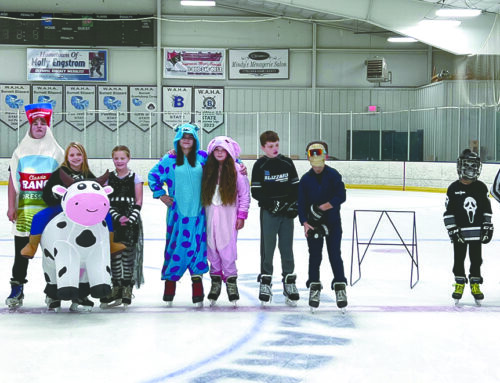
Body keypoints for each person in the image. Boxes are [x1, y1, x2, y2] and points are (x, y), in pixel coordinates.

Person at [23, 142, 122, 311]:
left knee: (107, 215)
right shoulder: (59, 174)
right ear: (67, 158)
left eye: (78, 155)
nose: (75, 158)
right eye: (72, 155)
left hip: (83, 214)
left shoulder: (88, 175)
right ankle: (32, 245)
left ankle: (111, 243)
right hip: (62, 208)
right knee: (39, 217)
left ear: (83, 156)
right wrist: (61, 201)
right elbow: (47, 194)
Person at [5, 103, 65, 308]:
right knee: (21, 255)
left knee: (52, 255)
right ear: (29, 126)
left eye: (43, 123)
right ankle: (17, 289)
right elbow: (14, 181)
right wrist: (11, 206)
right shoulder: (20, 152)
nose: (39, 126)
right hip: (25, 213)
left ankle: (52, 290)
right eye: (35, 123)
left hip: (50, 215)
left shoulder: (57, 152)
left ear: (48, 126)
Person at [148, 123, 209, 307]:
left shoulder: (203, 157)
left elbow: (223, 161)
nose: (187, 141)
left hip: (199, 213)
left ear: (195, 140)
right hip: (177, 215)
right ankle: (170, 285)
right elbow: (153, 176)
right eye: (184, 137)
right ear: (178, 139)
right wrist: (161, 194)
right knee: (176, 247)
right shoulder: (169, 159)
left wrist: (239, 165)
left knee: (198, 248)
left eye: (190, 138)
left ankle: (197, 287)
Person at [250, 130, 300, 306]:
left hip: (287, 214)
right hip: (269, 213)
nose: (275, 149)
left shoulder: (287, 163)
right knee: (268, 247)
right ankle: (265, 280)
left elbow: (296, 187)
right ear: (263, 147)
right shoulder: (260, 166)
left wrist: (293, 205)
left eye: (277, 145)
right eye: (271, 146)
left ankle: (289, 280)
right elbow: (256, 191)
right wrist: (271, 204)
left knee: (287, 247)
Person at [298, 141, 348, 311]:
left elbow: (341, 196)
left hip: (333, 223)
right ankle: (314, 286)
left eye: (320, 162)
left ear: (325, 157)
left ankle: (340, 286)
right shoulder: (305, 180)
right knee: (315, 256)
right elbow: (301, 203)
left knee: (335, 255)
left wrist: (322, 207)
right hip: (313, 225)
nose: (318, 167)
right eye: (314, 162)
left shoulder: (333, 175)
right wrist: (305, 222)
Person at [201, 136, 250, 306]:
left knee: (227, 247)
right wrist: (173, 152)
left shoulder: (237, 170)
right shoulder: (206, 168)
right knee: (211, 246)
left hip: (228, 216)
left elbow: (244, 194)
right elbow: (190, 155)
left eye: (223, 150)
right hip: (209, 214)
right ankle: (215, 281)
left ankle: (231, 281)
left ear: (229, 152)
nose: (220, 153)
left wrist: (242, 215)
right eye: (217, 150)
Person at [444, 149, 493, 305]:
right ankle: (459, 282)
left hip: (476, 233)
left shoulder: (481, 187)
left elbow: (486, 208)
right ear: (461, 167)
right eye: (468, 166)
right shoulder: (453, 188)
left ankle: (475, 284)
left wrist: (487, 226)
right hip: (460, 233)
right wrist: (452, 230)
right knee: (459, 260)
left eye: (474, 166)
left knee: (476, 260)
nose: (471, 170)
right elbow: (448, 212)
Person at [100, 145, 144, 307]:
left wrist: (131, 217)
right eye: (116, 158)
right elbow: (104, 200)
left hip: (131, 221)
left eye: (122, 158)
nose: (119, 161)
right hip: (113, 221)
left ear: (128, 159)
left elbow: (138, 200)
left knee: (128, 255)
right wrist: (116, 216)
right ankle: (116, 287)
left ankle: (127, 287)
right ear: (113, 159)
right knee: (114, 255)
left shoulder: (135, 178)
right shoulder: (108, 178)